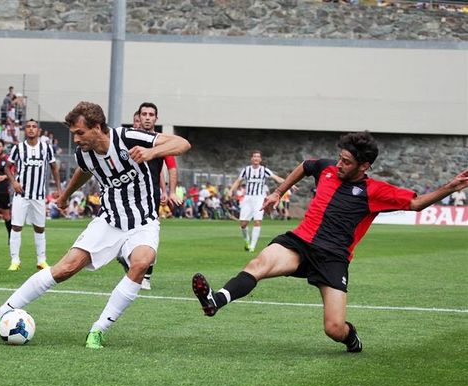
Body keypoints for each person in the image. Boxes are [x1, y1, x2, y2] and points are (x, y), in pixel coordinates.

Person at [191, 131, 468, 353]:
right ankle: (215, 300)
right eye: (339, 158)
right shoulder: (326, 169)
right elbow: (305, 166)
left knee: (334, 329)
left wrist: (450, 187)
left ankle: (351, 338)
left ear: (364, 166)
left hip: (333, 258)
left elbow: (416, 203)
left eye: (346, 162)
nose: (339, 164)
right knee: (258, 264)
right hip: (300, 242)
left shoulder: (375, 191)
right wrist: (278, 192)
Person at [0, 101, 190, 348]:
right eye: (73, 133)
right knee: (64, 269)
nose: (75, 139)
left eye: (80, 133)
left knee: (141, 262)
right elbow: (84, 170)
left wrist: (151, 153)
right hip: (109, 221)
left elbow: (182, 144)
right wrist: (65, 196)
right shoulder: (84, 153)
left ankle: (98, 329)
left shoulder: (128, 137)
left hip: (143, 223)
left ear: (97, 127)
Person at [128, 102, 179, 289]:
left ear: (156, 118)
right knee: (127, 232)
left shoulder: (160, 141)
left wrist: (170, 191)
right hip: (128, 194)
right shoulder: (128, 139)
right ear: (138, 118)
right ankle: (130, 261)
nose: (147, 118)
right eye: (144, 114)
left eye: (151, 115)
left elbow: (171, 167)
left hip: (150, 196)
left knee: (150, 233)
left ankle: (146, 276)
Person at [4, 119, 62, 271]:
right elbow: (7, 167)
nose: (31, 129)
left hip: (38, 195)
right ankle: (15, 260)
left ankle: (41, 260)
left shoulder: (46, 148)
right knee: (16, 226)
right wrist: (14, 182)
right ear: (25, 130)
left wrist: (59, 189)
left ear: (39, 131)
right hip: (21, 194)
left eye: (34, 127)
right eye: (28, 127)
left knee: (40, 228)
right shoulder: (18, 148)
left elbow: (54, 167)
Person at [227, 150, 287, 252]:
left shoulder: (264, 170)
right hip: (248, 198)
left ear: (260, 159)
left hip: (259, 198)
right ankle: (247, 241)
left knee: (257, 221)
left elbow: (276, 178)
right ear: (251, 159)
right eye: (254, 156)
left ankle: (252, 246)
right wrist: (231, 190)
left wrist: (289, 184)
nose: (256, 158)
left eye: (258, 157)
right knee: (243, 224)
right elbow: (238, 181)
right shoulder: (246, 170)